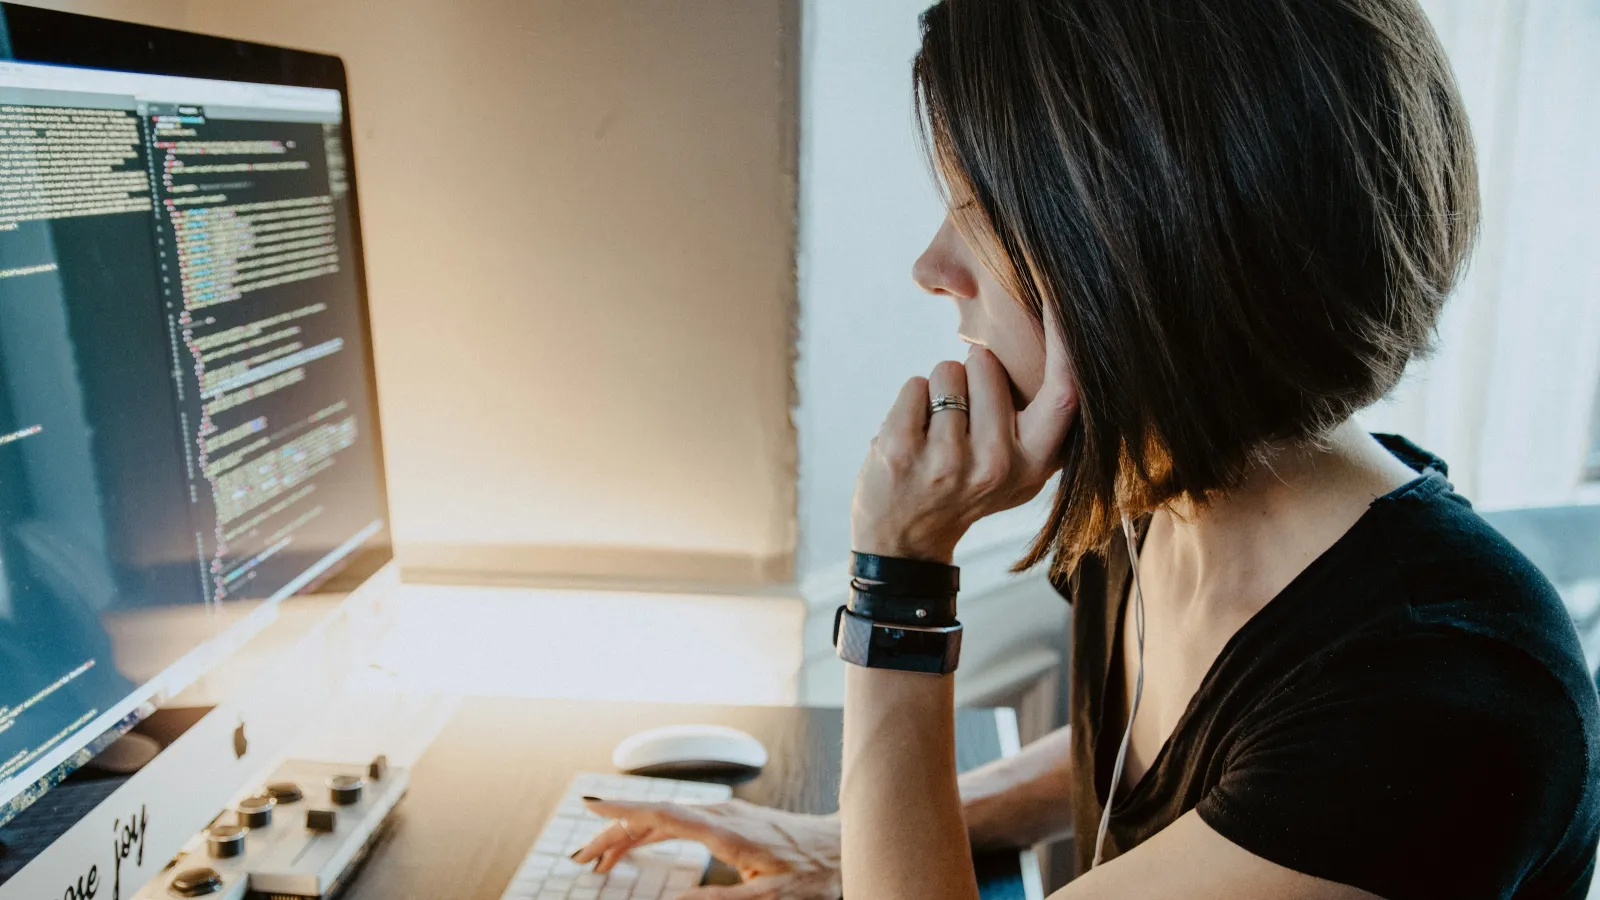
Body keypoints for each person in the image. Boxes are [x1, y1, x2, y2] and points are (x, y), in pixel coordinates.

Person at [574, 0, 1600, 896]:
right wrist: (846, 844)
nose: (932, 266)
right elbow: (1227, 772)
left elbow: (1314, 766)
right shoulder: (1160, 498)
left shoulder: (1436, 704)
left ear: (1145, 254)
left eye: (978, 216)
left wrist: (898, 576)